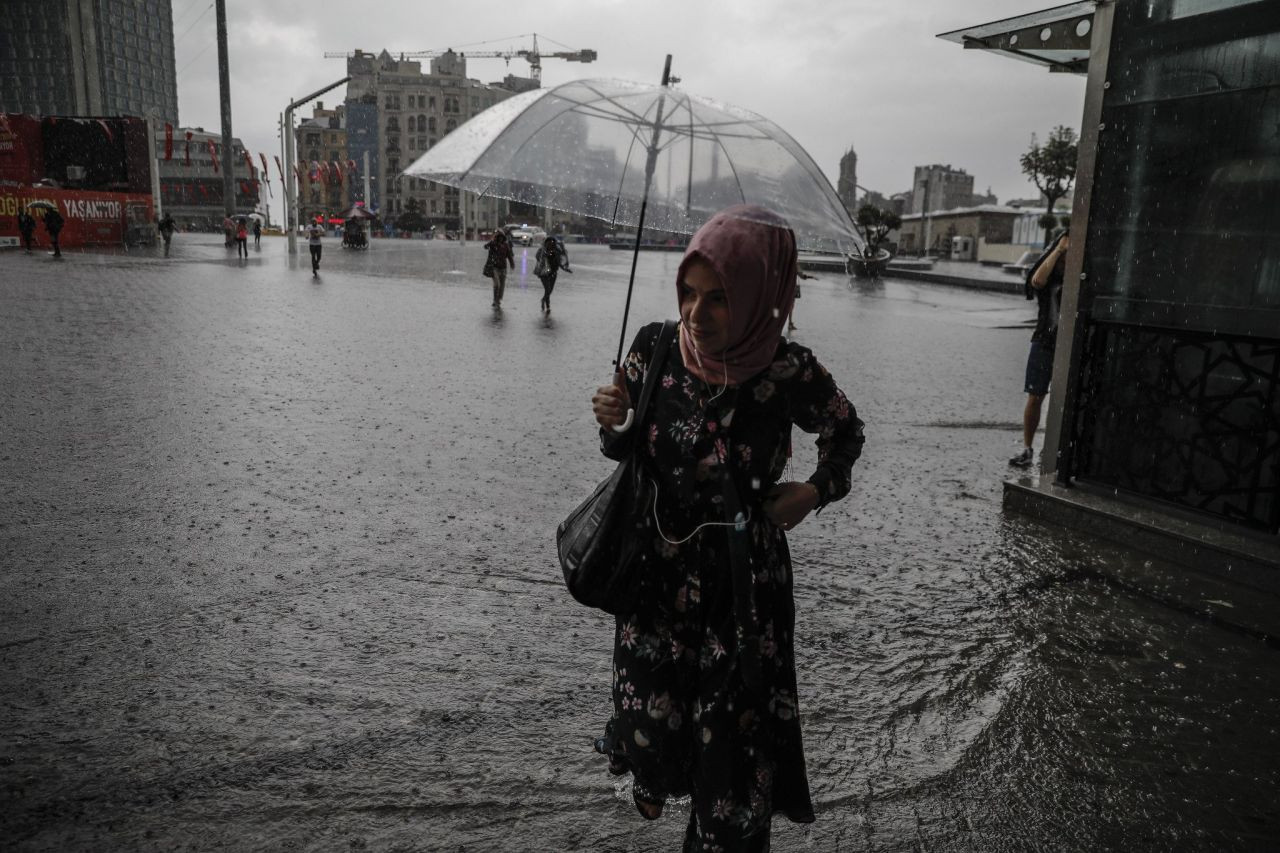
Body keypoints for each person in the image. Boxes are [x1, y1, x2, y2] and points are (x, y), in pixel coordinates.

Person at [589, 205, 866, 852]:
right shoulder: (653, 347)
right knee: (655, 733)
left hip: (743, 594)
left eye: (719, 298)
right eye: (688, 292)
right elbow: (621, 446)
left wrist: (813, 491)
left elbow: (845, 432)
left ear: (760, 297)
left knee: (733, 774)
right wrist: (613, 417)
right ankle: (659, 771)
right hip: (658, 585)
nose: (695, 313)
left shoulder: (788, 371)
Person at [1010, 230, 1070, 468]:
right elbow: (1037, 280)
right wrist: (1058, 250)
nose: (1066, 260)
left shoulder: (1079, 277)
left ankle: (1055, 449)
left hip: (1068, 345)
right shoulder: (1050, 279)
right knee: (1035, 395)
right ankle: (1027, 448)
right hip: (1045, 340)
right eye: (1064, 256)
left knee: (1063, 398)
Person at [535, 235, 572, 313]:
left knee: (550, 290)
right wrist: (545, 255)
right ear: (546, 243)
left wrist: (565, 269)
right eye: (549, 242)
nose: (550, 244)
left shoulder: (557, 252)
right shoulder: (542, 251)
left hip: (553, 273)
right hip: (543, 273)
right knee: (547, 289)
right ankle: (547, 305)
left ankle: (544, 300)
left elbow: (559, 263)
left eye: (552, 243)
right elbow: (538, 258)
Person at [483, 229, 515, 307]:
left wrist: (512, 263)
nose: (500, 238)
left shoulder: (505, 245)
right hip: (495, 268)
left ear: (503, 238)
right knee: (497, 284)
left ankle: (498, 299)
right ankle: (495, 299)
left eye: (501, 237)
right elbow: (485, 246)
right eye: (499, 237)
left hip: (503, 268)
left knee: (502, 286)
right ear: (497, 237)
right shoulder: (493, 244)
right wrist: (490, 243)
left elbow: (509, 256)